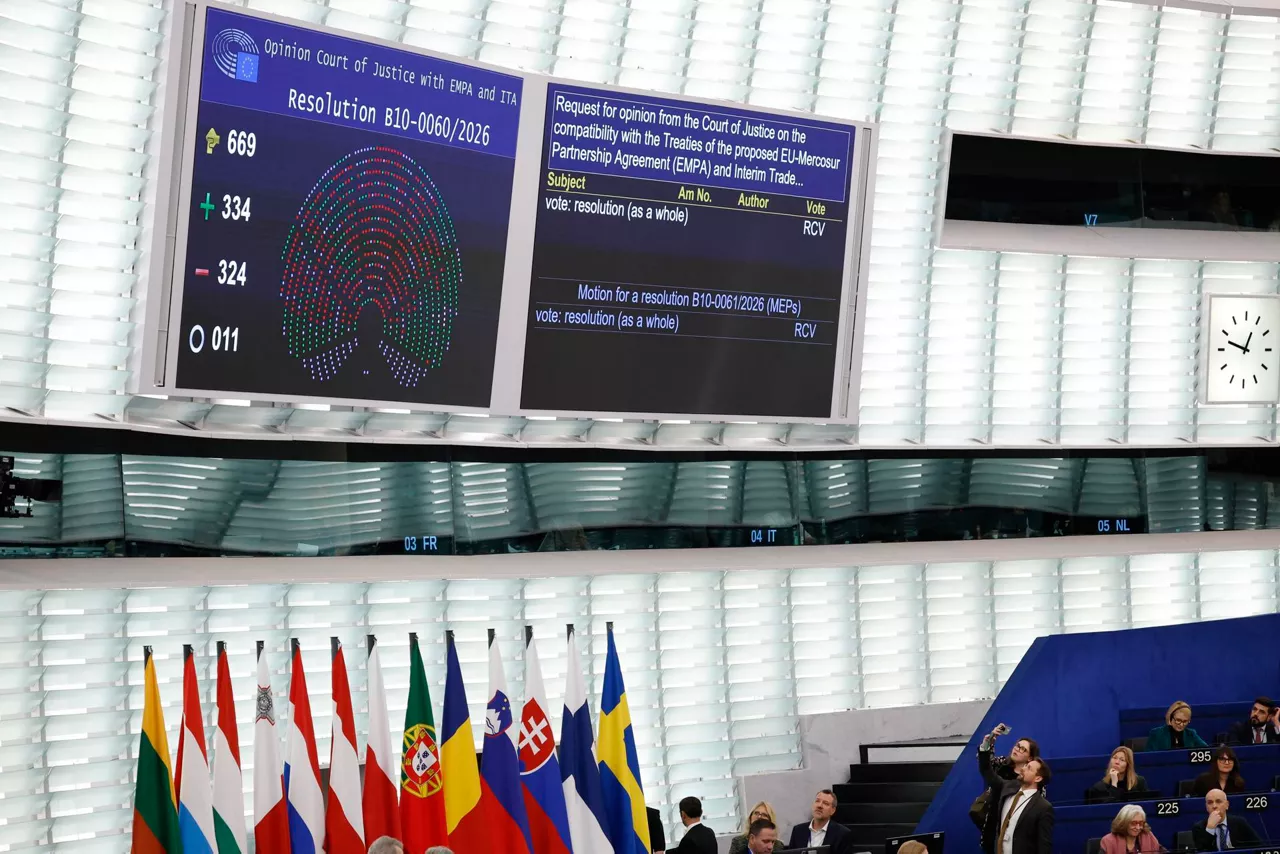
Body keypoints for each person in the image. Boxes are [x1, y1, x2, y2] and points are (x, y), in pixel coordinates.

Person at [978, 730, 1054, 854]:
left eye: (1028, 767)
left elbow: (1044, 845)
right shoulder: (1006, 785)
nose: (1023, 769)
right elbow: (986, 769)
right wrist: (987, 744)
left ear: (1038, 778)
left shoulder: (1043, 806)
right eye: (1017, 746)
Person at [972, 724, 1040, 830]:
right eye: (1017, 745)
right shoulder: (1002, 764)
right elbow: (985, 764)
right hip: (994, 821)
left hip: (1018, 825)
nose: (1017, 749)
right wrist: (989, 742)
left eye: (1023, 749)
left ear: (1030, 758)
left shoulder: (1032, 778)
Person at [1192, 788, 1261, 851]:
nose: (1214, 806)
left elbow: (1259, 846)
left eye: (1218, 801)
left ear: (1227, 805)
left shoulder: (1239, 823)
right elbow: (1202, 851)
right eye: (1210, 802)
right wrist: (1210, 829)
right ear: (1206, 807)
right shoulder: (1199, 827)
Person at [787, 789, 851, 853]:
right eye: (817, 801)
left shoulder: (842, 834)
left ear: (833, 810)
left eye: (825, 803)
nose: (819, 806)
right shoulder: (798, 830)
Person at [1098, 804, 1163, 854]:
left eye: (1141, 823)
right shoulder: (1108, 841)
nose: (1138, 827)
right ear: (1123, 823)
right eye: (1133, 823)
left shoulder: (1148, 837)